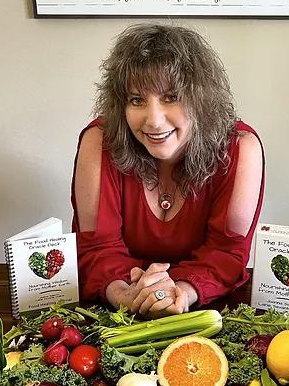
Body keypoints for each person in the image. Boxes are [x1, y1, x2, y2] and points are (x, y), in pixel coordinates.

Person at [71, 24, 264, 318]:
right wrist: (127, 295)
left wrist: (179, 293)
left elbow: (226, 254)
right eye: (137, 100)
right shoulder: (99, 142)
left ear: (202, 99)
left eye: (171, 97)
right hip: (117, 309)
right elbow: (97, 249)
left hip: (205, 309)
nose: (153, 120)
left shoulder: (241, 149)